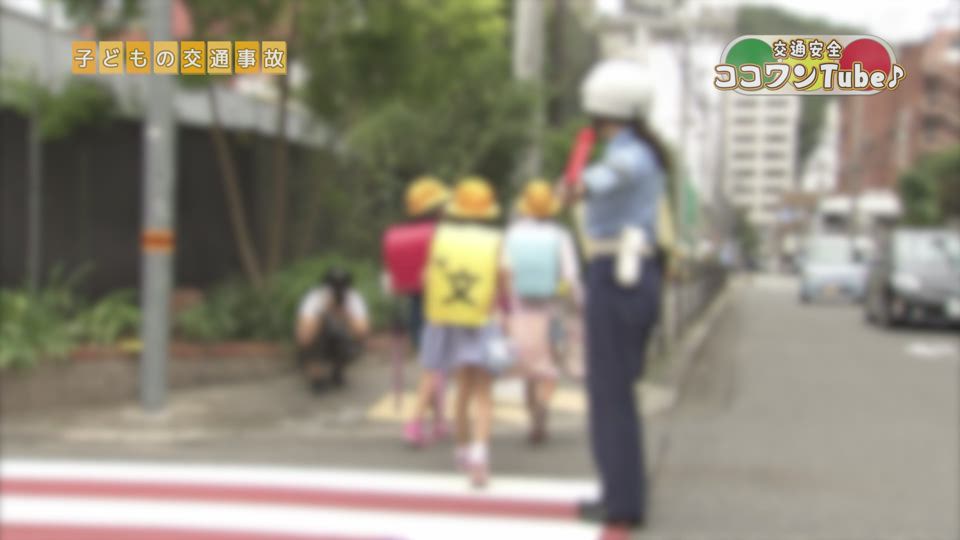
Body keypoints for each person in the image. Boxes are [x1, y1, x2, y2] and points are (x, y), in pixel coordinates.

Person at [561, 59, 669, 530]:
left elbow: (602, 180)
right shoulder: (643, 151)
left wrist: (577, 185)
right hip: (629, 271)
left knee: (610, 394)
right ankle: (621, 493)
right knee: (614, 393)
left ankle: (622, 502)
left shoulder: (629, 156)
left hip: (618, 273)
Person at [420, 177, 507, 488]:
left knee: (462, 389)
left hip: (452, 320)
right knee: (484, 393)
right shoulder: (495, 239)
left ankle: (461, 450)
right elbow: (504, 276)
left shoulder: (441, 237)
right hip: (485, 320)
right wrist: (503, 303)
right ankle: (480, 455)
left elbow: (427, 277)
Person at [502, 179, 582, 444]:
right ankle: (543, 406)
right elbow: (570, 276)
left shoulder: (511, 234)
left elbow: (503, 271)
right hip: (551, 309)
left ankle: (531, 413)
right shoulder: (560, 236)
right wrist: (578, 305)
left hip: (519, 311)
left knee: (527, 367)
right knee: (549, 365)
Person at [381, 176, 451, 447]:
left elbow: (391, 281)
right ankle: (415, 423)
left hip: (414, 307)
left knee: (432, 364)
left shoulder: (402, 237)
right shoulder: (442, 235)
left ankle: (439, 421)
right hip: (440, 307)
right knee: (434, 368)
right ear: (437, 208)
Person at [296, 268, 370, 392]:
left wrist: (345, 314)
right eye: (333, 288)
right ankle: (316, 374)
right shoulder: (315, 298)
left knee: (352, 341)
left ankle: (337, 368)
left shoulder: (353, 298)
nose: (337, 292)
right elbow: (304, 339)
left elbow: (363, 333)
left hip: (340, 338)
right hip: (321, 338)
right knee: (315, 337)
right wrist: (322, 311)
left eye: (342, 288)